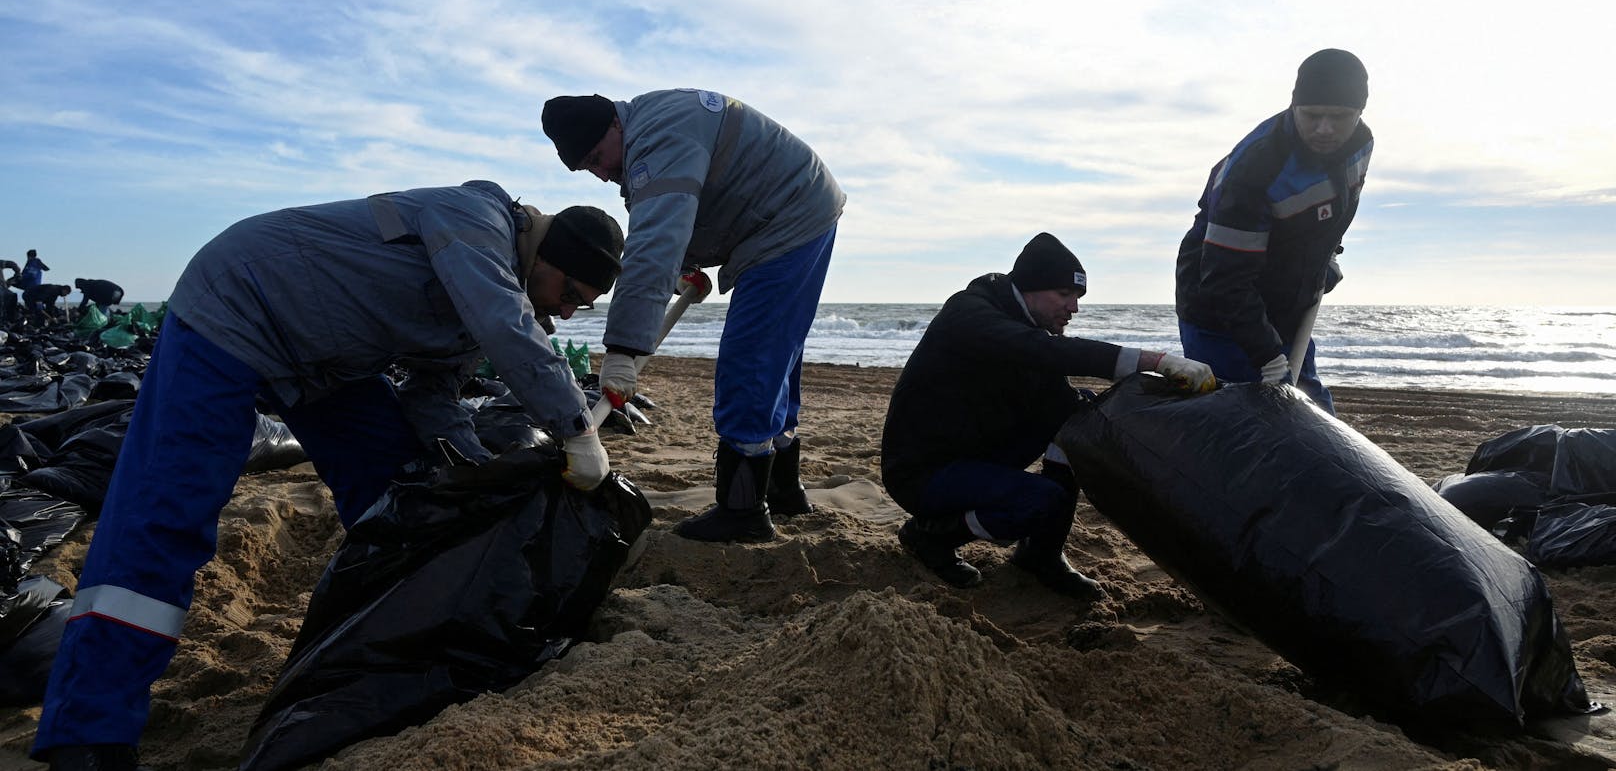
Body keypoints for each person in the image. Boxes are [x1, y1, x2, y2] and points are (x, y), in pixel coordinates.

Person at [32, 181, 624, 771]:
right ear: (542, 253)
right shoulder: (475, 220)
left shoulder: (488, 292)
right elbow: (507, 324)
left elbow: (432, 393)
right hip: (234, 311)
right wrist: (576, 425)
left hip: (326, 363)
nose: (568, 311)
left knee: (408, 493)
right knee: (166, 514)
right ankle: (88, 732)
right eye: (568, 290)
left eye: (584, 303)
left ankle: (393, 653)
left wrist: (471, 470)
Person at [542, 88, 844, 543]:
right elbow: (682, 214)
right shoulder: (649, 126)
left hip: (787, 220)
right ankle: (784, 490)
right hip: (798, 206)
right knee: (778, 360)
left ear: (613, 126)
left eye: (597, 157)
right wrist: (689, 262)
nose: (602, 173)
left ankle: (743, 511)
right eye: (589, 168)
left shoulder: (656, 140)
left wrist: (623, 349)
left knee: (751, 357)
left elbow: (651, 247)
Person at [881, 233, 1215, 596]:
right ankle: (931, 536)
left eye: (1077, 299)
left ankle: (1041, 555)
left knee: (1078, 417)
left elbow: (1060, 400)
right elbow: (1039, 350)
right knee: (1040, 502)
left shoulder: (1028, 328)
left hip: (971, 451)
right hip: (922, 471)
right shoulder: (970, 313)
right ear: (1031, 288)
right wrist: (1156, 361)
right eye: (1065, 295)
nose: (1074, 308)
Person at [1174, 49, 1372, 414]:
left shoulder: (1360, 145)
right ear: (1294, 105)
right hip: (1219, 312)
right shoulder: (1256, 168)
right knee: (1239, 420)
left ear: (1360, 112)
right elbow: (1224, 280)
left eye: (1339, 117)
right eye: (1312, 115)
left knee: (1315, 416)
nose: (1325, 129)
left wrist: (1328, 254)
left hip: (1287, 304)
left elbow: (1338, 209)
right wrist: (1268, 357)